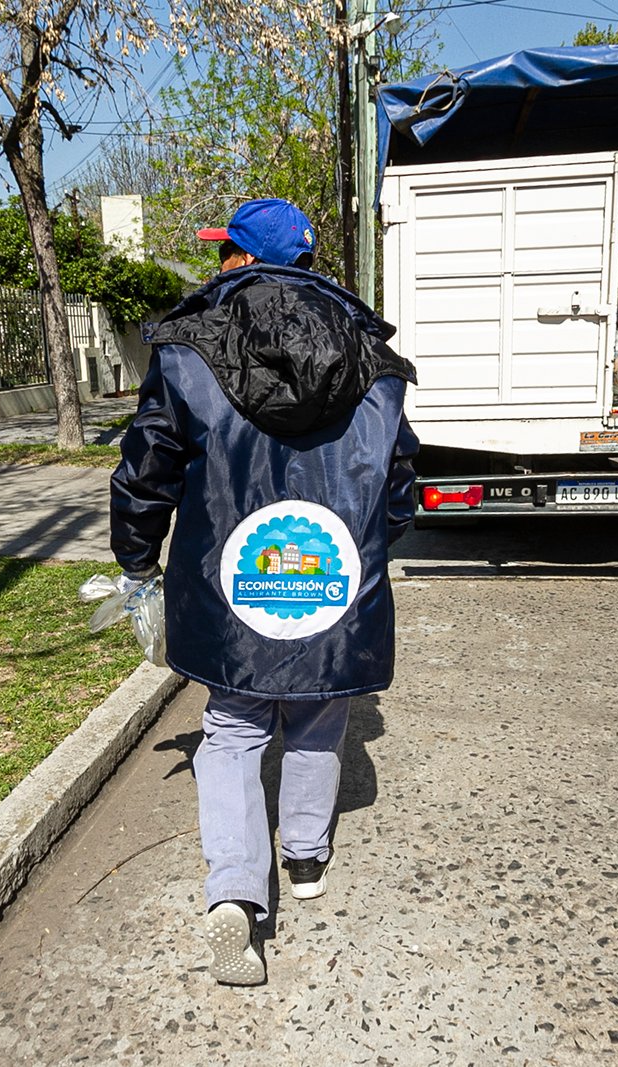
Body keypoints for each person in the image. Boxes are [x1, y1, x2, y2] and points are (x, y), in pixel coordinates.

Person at [109, 198, 419, 986]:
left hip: (229, 589)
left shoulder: (186, 355)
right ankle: (307, 859)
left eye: (223, 254)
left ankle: (236, 894)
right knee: (320, 711)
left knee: (232, 729)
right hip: (332, 578)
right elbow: (400, 487)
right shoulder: (372, 360)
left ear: (241, 261)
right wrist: (368, 541)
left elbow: (144, 471)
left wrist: (137, 561)